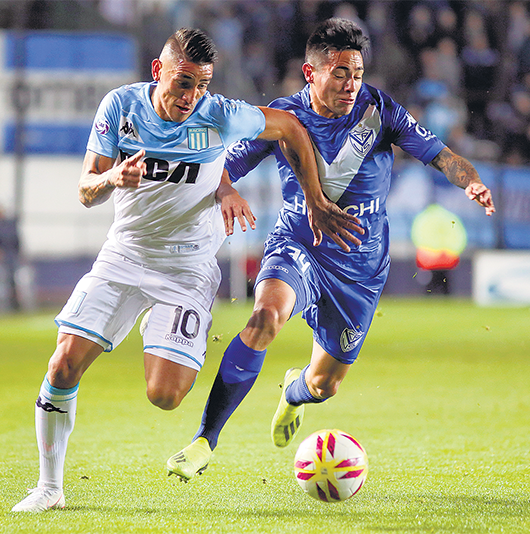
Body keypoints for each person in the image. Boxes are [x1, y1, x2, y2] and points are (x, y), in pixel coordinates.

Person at [11, 27, 357, 513]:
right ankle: (50, 487)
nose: (192, 96)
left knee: (166, 396)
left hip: (188, 269)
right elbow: (87, 188)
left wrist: (313, 199)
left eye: (202, 85)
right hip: (125, 255)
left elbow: (291, 129)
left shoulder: (219, 115)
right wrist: (114, 176)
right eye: (183, 83)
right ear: (159, 73)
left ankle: (163, 324)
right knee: (62, 363)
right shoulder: (120, 108)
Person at [166, 18, 496, 481]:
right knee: (264, 319)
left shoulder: (381, 112)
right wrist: (224, 191)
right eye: (340, 73)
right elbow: (223, 164)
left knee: (324, 386)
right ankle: (205, 440)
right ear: (311, 72)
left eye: (357, 73)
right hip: (298, 246)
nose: (350, 84)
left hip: (361, 270)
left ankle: (294, 393)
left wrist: (472, 180)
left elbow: (440, 155)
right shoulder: (282, 117)